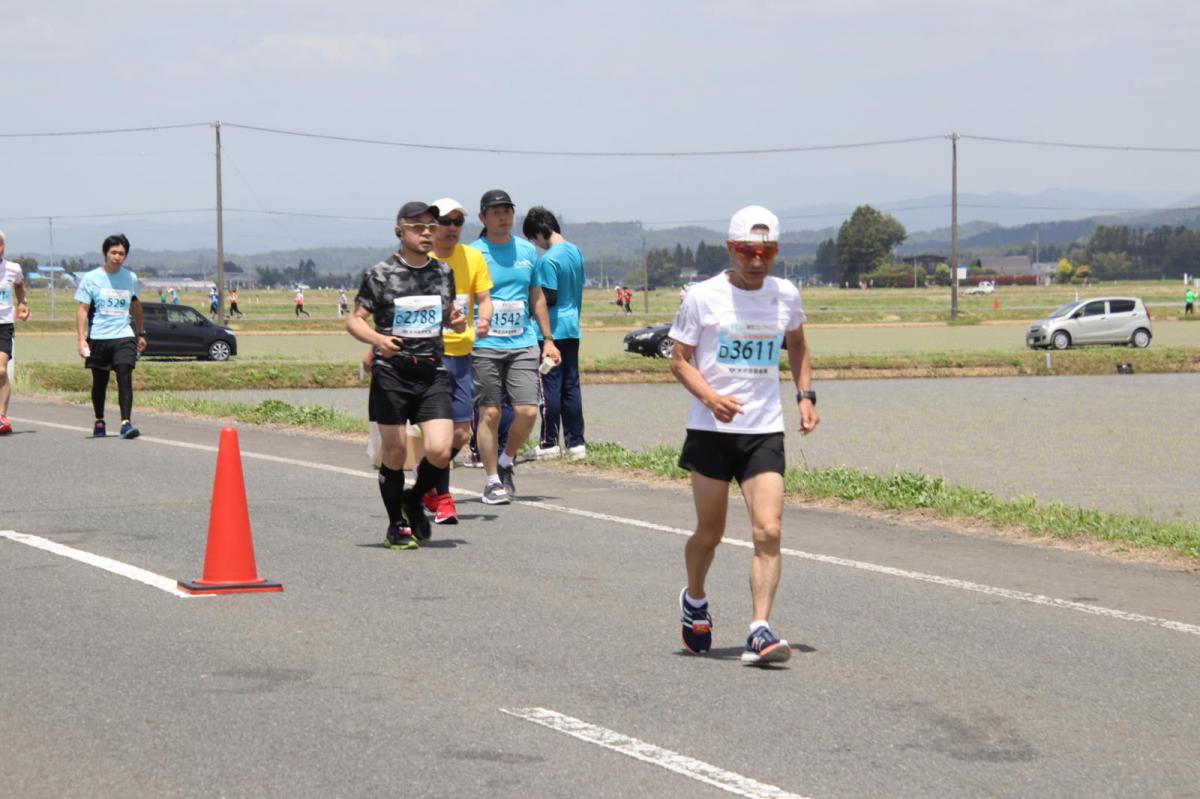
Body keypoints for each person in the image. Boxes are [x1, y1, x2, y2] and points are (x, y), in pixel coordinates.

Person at [668, 206, 819, 666]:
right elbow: (679, 359)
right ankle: (694, 599)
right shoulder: (702, 297)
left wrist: (806, 395)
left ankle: (759, 628)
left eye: (767, 251)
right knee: (710, 534)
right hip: (711, 431)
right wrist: (712, 398)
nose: (757, 261)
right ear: (731, 249)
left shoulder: (785, 295)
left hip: (763, 431)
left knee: (768, 530)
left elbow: (797, 344)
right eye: (748, 251)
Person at [346, 201, 466, 550]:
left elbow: (445, 315)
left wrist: (454, 322)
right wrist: (378, 340)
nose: (427, 232)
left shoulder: (443, 273)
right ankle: (396, 524)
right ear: (400, 230)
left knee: (441, 450)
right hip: (392, 374)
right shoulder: (380, 273)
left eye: (432, 226)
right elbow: (354, 320)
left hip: (431, 371)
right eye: (418, 227)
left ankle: (413, 499)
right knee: (395, 452)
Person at [469, 189, 560, 504]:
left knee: (527, 411)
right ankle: (492, 480)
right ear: (483, 218)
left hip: (522, 342)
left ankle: (507, 459)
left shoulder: (527, 251)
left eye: (507, 211)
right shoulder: (473, 254)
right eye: (495, 212)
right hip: (484, 344)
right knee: (490, 412)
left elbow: (536, 296)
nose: (503, 216)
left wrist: (548, 339)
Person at [416, 198, 494, 524]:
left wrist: (485, 320)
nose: (451, 228)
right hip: (428, 355)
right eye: (445, 221)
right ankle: (444, 499)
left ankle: (425, 477)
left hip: (462, 354)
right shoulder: (419, 261)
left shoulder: (473, 258)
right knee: (443, 433)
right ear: (431, 225)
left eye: (457, 222)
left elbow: (485, 299)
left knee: (461, 434)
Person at [523, 206, 587, 460]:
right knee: (571, 385)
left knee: (550, 385)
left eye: (534, 239)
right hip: (572, 328)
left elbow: (548, 297)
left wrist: (527, 307)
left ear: (540, 232)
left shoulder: (548, 259)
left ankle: (549, 442)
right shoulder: (575, 251)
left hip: (552, 333)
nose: (536, 245)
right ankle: (576, 443)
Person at [74, 234, 148, 439]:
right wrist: (81, 339)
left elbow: (136, 305)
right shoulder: (91, 278)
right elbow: (82, 310)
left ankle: (126, 423)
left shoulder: (130, 278)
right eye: (113, 252)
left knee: (125, 376)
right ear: (105, 253)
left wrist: (141, 332)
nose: (117, 257)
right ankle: (99, 420)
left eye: (121, 253)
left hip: (124, 336)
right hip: (98, 337)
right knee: (100, 382)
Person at [0, 230, 32, 435]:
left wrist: (23, 302)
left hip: (3, 324)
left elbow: (20, 285)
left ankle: (1, 416)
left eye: (0, 244)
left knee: (1, 370)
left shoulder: (13, 268)